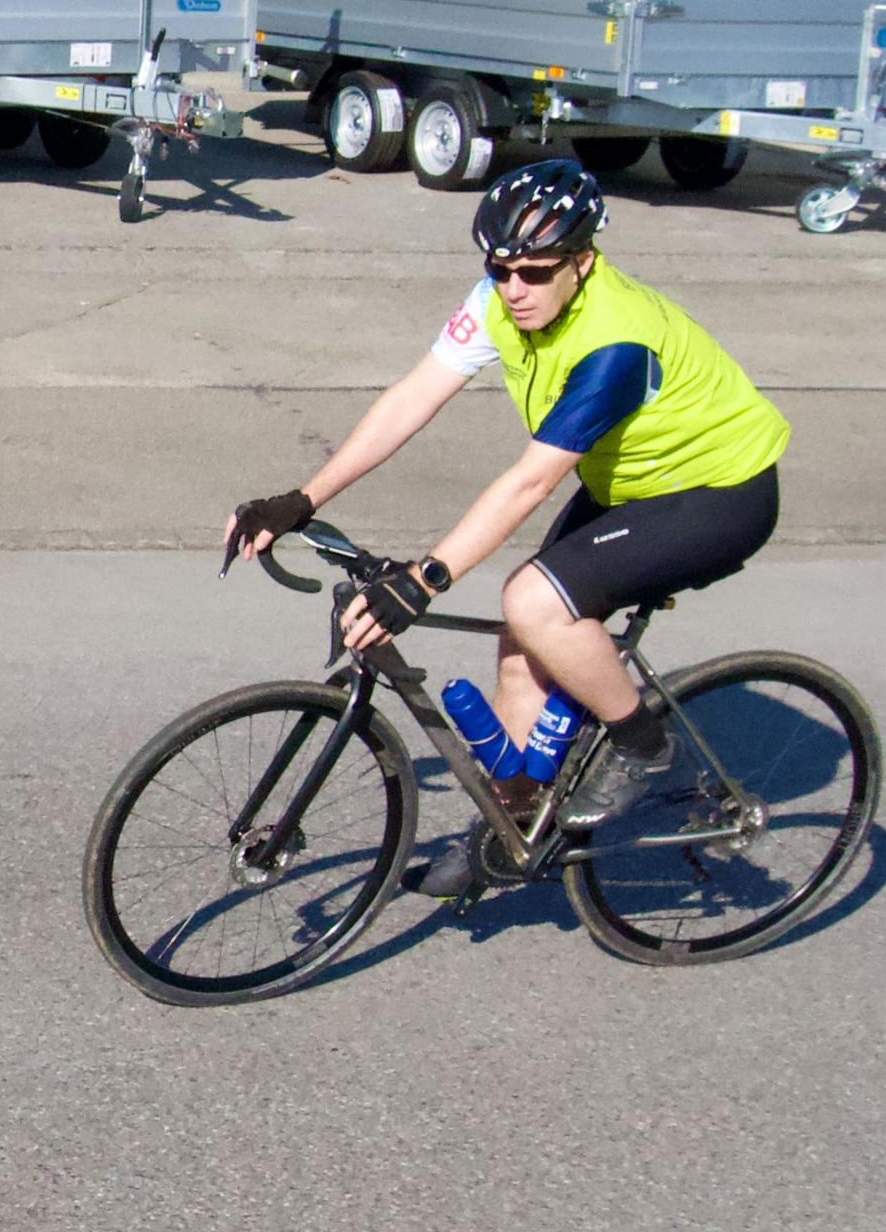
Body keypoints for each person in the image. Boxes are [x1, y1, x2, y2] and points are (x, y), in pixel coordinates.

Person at [222, 159, 787, 899]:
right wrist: (301, 497)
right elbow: (413, 396)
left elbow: (529, 480)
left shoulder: (616, 342)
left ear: (582, 262)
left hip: (720, 492)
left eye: (535, 271)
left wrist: (423, 581)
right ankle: (511, 830)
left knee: (534, 601)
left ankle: (643, 745)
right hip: (630, 484)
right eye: (500, 267)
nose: (514, 287)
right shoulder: (499, 298)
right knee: (521, 642)